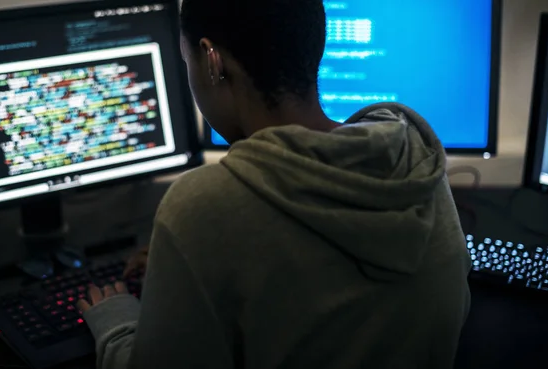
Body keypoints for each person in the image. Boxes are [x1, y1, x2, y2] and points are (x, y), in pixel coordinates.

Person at [77, 0, 471, 368]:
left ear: (212, 60)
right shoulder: (415, 156)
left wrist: (115, 323)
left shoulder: (201, 207)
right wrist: (181, 265)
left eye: (187, 61)